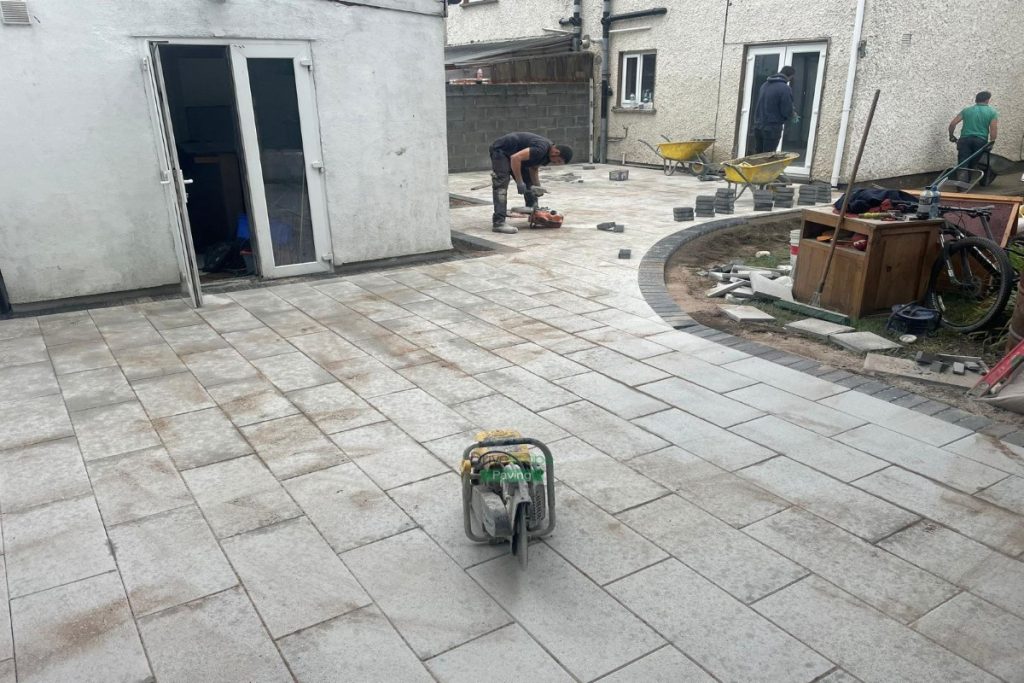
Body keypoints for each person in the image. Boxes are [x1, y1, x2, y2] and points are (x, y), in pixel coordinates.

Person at [489, 132, 573, 234]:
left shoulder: (547, 155)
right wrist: (519, 182)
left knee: (529, 184)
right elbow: (515, 158)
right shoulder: (541, 149)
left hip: (514, 156)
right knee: (501, 184)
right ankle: (499, 223)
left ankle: (533, 212)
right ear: (556, 152)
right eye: (558, 161)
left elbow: (533, 168)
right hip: (501, 150)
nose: (556, 164)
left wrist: (537, 187)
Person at [949, 91, 998, 181]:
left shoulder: (967, 110)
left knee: (963, 163)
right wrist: (992, 142)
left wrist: (951, 136)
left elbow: (952, 124)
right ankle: (967, 183)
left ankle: (961, 187)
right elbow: (993, 129)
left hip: (964, 140)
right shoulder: (992, 112)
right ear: (987, 100)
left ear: (976, 100)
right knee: (973, 163)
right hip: (980, 141)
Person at [753, 65, 796, 154]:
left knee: (758, 156)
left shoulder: (764, 85)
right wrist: (792, 114)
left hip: (758, 126)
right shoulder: (785, 88)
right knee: (768, 157)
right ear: (790, 76)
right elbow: (786, 110)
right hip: (772, 128)